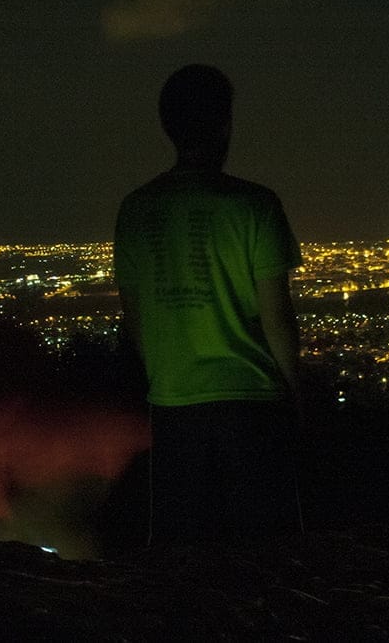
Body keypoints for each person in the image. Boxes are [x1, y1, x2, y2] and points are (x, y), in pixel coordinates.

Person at [113, 64, 303, 543]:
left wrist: (165, 371)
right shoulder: (256, 205)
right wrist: (296, 393)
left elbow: (134, 320)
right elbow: (278, 319)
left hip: (173, 400)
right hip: (252, 399)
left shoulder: (136, 209)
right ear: (225, 124)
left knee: (181, 555)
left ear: (168, 126)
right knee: (269, 549)